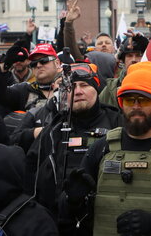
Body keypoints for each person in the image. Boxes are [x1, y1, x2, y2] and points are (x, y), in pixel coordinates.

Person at [65, 67, 151, 235]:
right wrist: (73, 202)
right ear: (121, 105)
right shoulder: (102, 147)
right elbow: (72, 219)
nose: (136, 106)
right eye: (129, 100)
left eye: (144, 100)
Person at [26, 63, 123, 207]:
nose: (78, 91)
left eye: (84, 85)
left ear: (96, 89)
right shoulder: (54, 130)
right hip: (62, 218)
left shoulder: (117, 122)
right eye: (71, 87)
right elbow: (31, 173)